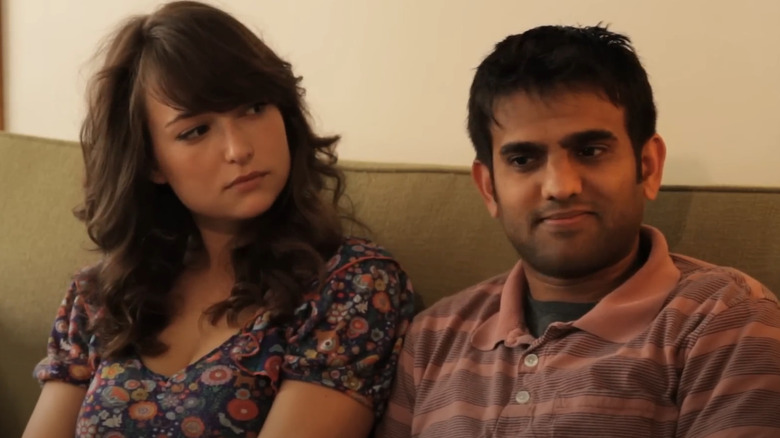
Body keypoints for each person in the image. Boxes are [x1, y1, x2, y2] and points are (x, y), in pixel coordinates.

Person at [23, 2, 415, 437]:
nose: (238, 149)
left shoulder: (352, 284)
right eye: (196, 131)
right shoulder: (98, 295)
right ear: (152, 162)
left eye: (254, 108)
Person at [376, 24, 780, 437]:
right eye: (522, 160)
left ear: (648, 166)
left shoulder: (726, 320)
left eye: (590, 151)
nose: (560, 186)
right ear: (488, 187)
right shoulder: (432, 337)